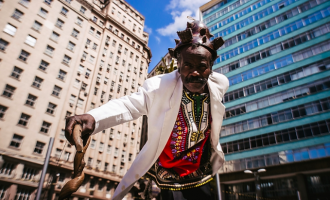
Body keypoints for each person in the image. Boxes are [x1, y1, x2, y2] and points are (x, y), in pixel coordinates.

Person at [65, 18, 228, 200]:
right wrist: (93, 118)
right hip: (170, 170)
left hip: (201, 170)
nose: (194, 72)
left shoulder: (219, 85)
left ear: (211, 68)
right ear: (179, 66)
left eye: (202, 66)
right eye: (188, 65)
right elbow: (129, 105)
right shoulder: (159, 86)